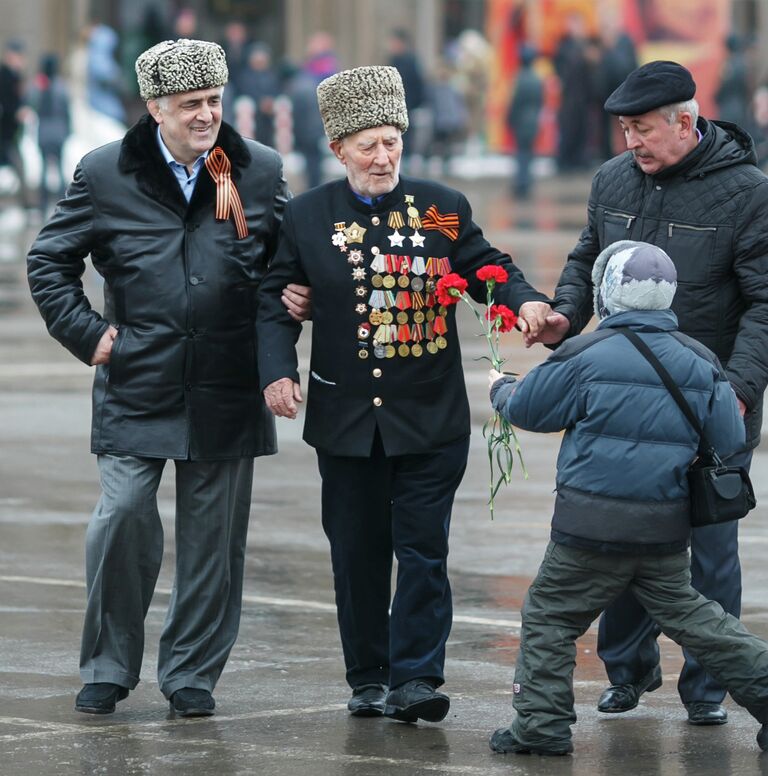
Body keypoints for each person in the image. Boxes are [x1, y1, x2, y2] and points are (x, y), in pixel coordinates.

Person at [256, 65, 562, 724]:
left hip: (429, 417)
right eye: (367, 144)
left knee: (424, 552)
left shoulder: (441, 205)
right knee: (357, 554)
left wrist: (527, 302)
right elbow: (275, 300)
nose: (383, 156)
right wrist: (277, 370)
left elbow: (487, 266)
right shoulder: (308, 216)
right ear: (339, 149)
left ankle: (418, 678)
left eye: (391, 140)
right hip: (344, 421)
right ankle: (368, 675)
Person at [27, 39, 310, 718]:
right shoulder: (104, 172)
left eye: (213, 100)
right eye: (190, 105)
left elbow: (283, 264)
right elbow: (48, 263)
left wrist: (296, 296)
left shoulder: (259, 170)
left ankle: (191, 675)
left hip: (227, 385)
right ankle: (108, 664)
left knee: (213, 541)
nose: (207, 115)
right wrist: (90, 334)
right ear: (156, 108)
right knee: (121, 517)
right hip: (137, 382)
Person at [527, 60, 768, 726]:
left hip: (708, 407)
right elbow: (586, 259)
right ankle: (627, 673)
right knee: (623, 543)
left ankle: (709, 689)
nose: (631, 142)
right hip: (626, 405)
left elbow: (764, 304)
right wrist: (564, 316)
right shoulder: (613, 180)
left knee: (710, 559)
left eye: (643, 129)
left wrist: (741, 389)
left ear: (686, 122)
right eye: (625, 130)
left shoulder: (748, 192)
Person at [488, 240, 768, 756]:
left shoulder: (583, 352)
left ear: (607, 292)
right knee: (695, 617)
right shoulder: (699, 359)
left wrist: (501, 389)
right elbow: (729, 437)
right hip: (663, 527)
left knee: (551, 616)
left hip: (589, 527)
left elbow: (529, 409)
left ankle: (541, 726)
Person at [27, 53, 71, 215]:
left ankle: (42, 204)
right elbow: (67, 110)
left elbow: (32, 102)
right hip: (59, 131)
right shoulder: (61, 86)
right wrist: (68, 130)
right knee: (59, 168)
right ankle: (63, 202)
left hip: (44, 131)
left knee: (44, 169)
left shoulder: (39, 85)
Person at [505, 44, 542, 199]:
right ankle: (527, 181)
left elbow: (515, 102)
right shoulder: (537, 79)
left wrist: (509, 119)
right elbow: (541, 101)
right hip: (533, 120)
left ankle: (521, 182)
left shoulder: (519, 79)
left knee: (521, 152)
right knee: (528, 152)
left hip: (521, 120)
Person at [0, 38, 31, 210]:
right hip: (5, 131)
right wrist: (17, 112)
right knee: (18, 165)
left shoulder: (15, 76)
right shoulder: (5, 76)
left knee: (19, 166)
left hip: (11, 133)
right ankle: (25, 203)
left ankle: (25, 203)